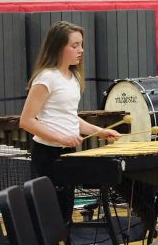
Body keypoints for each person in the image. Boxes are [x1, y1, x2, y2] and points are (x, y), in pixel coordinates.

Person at [19, 21, 121, 226]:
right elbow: (26, 121)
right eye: (74, 46)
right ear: (58, 47)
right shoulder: (46, 77)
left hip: (67, 152)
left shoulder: (73, 76)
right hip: (48, 154)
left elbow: (70, 117)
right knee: (53, 216)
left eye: (81, 45)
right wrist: (61, 138)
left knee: (65, 212)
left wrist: (99, 131)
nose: (80, 50)